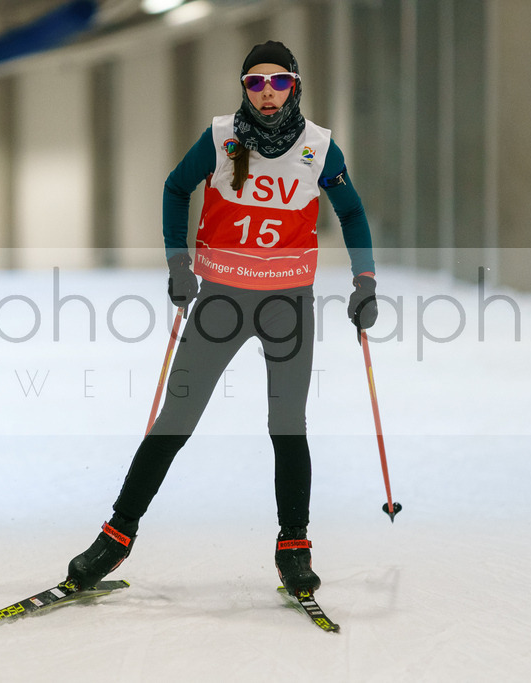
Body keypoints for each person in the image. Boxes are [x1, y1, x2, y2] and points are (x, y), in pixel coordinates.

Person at [65, 41, 378, 597]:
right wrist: (177, 261)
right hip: (220, 304)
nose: (266, 93)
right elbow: (174, 188)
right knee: (174, 418)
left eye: (278, 82)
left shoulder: (318, 149)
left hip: (287, 305)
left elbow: (350, 212)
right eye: (255, 83)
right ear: (244, 88)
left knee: (287, 425)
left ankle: (294, 549)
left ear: (295, 86)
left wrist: (365, 282)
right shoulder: (220, 138)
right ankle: (114, 539)